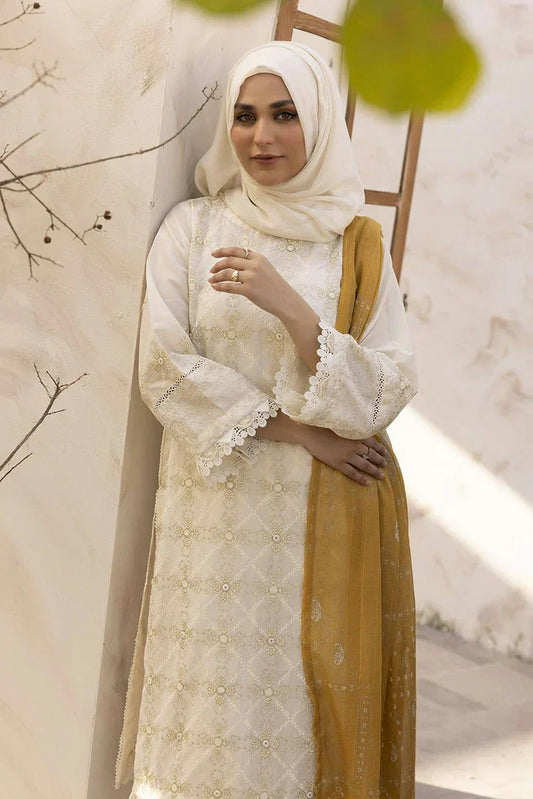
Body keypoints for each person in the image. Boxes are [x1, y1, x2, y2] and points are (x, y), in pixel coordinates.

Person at [115, 41, 417, 799]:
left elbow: (386, 389)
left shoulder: (357, 245)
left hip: (321, 524)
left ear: (318, 121)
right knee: (204, 723)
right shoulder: (191, 229)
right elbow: (164, 369)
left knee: (298, 727)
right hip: (213, 522)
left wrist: (291, 306)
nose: (262, 136)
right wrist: (303, 432)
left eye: (285, 115)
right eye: (245, 116)